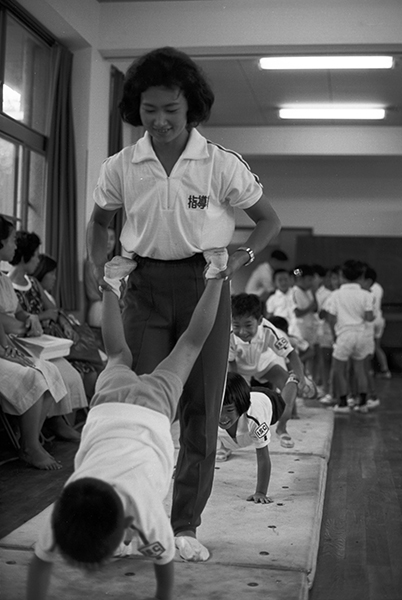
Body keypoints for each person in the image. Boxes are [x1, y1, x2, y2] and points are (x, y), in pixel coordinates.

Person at [87, 46, 281, 560]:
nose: (161, 120)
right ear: (136, 109)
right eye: (149, 110)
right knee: (136, 412)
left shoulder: (218, 163)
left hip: (205, 286)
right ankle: (130, 521)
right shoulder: (122, 166)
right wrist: (97, 270)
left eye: (171, 110)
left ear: (190, 107)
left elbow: (269, 220)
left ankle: (185, 524)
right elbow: (99, 224)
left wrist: (239, 259)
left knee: (200, 411)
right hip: (143, 287)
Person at [26, 251, 226, 600]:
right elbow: (41, 561)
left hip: (150, 410)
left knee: (189, 346)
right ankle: (111, 283)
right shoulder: (63, 514)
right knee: (118, 354)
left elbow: (164, 572)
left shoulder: (146, 514)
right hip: (108, 407)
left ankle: (216, 277)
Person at [0, 216, 78, 468]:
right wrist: (6, 348)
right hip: (5, 344)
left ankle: (29, 439)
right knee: (33, 376)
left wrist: (28, 319)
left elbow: (16, 313)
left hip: (8, 341)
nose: (14, 246)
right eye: (11, 239)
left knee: (50, 370)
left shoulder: (2, 278)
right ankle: (30, 447)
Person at [229, 293, 305, 449]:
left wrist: (301, 379)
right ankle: (225, 443)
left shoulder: (269, 330)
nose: (242, 332)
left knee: (289, 384)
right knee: (230, 398)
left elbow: (291, 355)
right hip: (238, 368)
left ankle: (282, 427)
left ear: (260, 321)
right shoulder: (228, 334)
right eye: (237, 325)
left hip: (264, 364)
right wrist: (237, 389)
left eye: (248, 325)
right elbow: (231, 365)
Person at [217, 372, 285, 503]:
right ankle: (226, 444)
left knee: (286, 405)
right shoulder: (210, 411)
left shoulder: (256, 420)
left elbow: (263, 457)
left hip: (270, 400)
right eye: (218, 410)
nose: (222, 417)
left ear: (241, 408)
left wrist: (260, 492)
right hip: (245, 394)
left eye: (229, 411)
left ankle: (292, 381)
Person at [325, 260, 375, 413]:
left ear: (341, 276)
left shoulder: (336, 295)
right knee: (360, 369)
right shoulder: (366, 294)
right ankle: (363, 403)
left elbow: (331, 318)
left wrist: (335, 333)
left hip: (344, 334)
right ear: (361, 276)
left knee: (339, 369)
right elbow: (369, 316)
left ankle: (343, 403)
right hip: (361, 335)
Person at [84, 227, 117, 328]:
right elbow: (94, 293)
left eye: (111, 238)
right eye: (105, 238)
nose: (108, 242)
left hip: (111, 308)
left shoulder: (113, 264)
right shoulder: (92, 263)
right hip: (99, 309)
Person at [292, 264, 318, 378]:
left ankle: (307, 382)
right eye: (309, 280)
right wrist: (309, 308)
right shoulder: (294, 291)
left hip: (309, 328)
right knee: (306, 354)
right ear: (300, 279)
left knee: (310, 357)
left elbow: (315, 307)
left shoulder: (308, 291)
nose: (311, 283)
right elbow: (296, 312)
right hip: (299, 329)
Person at [265, 268, 300, 336]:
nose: (283, 282)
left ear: (290, 279)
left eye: (286, 279)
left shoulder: (296, 293)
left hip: (297, 330)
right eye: (280, 280)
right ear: (274, 282)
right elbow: (269, 317)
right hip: (280, 331)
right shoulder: (272, 299)